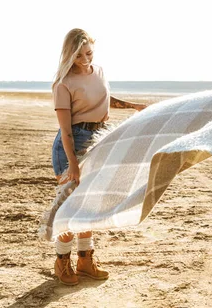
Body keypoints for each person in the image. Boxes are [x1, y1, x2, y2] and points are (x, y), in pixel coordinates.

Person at [51, 28, 147, 285]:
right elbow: (66, 130)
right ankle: (62, 262)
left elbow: (104, 98)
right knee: (71, 205)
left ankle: (85, 260)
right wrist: (73, 165)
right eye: (79, 54)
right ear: (69, 54)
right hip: (72, 145)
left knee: (90, 204)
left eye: (89, 53)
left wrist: (132, 106)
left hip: (99, 140)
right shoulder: (64, 83)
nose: (85, 59)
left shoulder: (99, 71)